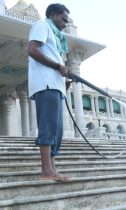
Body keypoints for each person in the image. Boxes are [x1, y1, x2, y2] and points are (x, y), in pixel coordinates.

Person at [28, 3, 71, 181]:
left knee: (56, 129)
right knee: (48, 127)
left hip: (56, 86)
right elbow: (32, 49)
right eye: (63, 19)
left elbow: (55, 59)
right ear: (53, 15)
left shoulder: (57, 36)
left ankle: (52, 169)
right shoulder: (42, 25)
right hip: (45, 84)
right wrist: (57, 66)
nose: (66, 23)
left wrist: (63, 80)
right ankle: (46, 170)